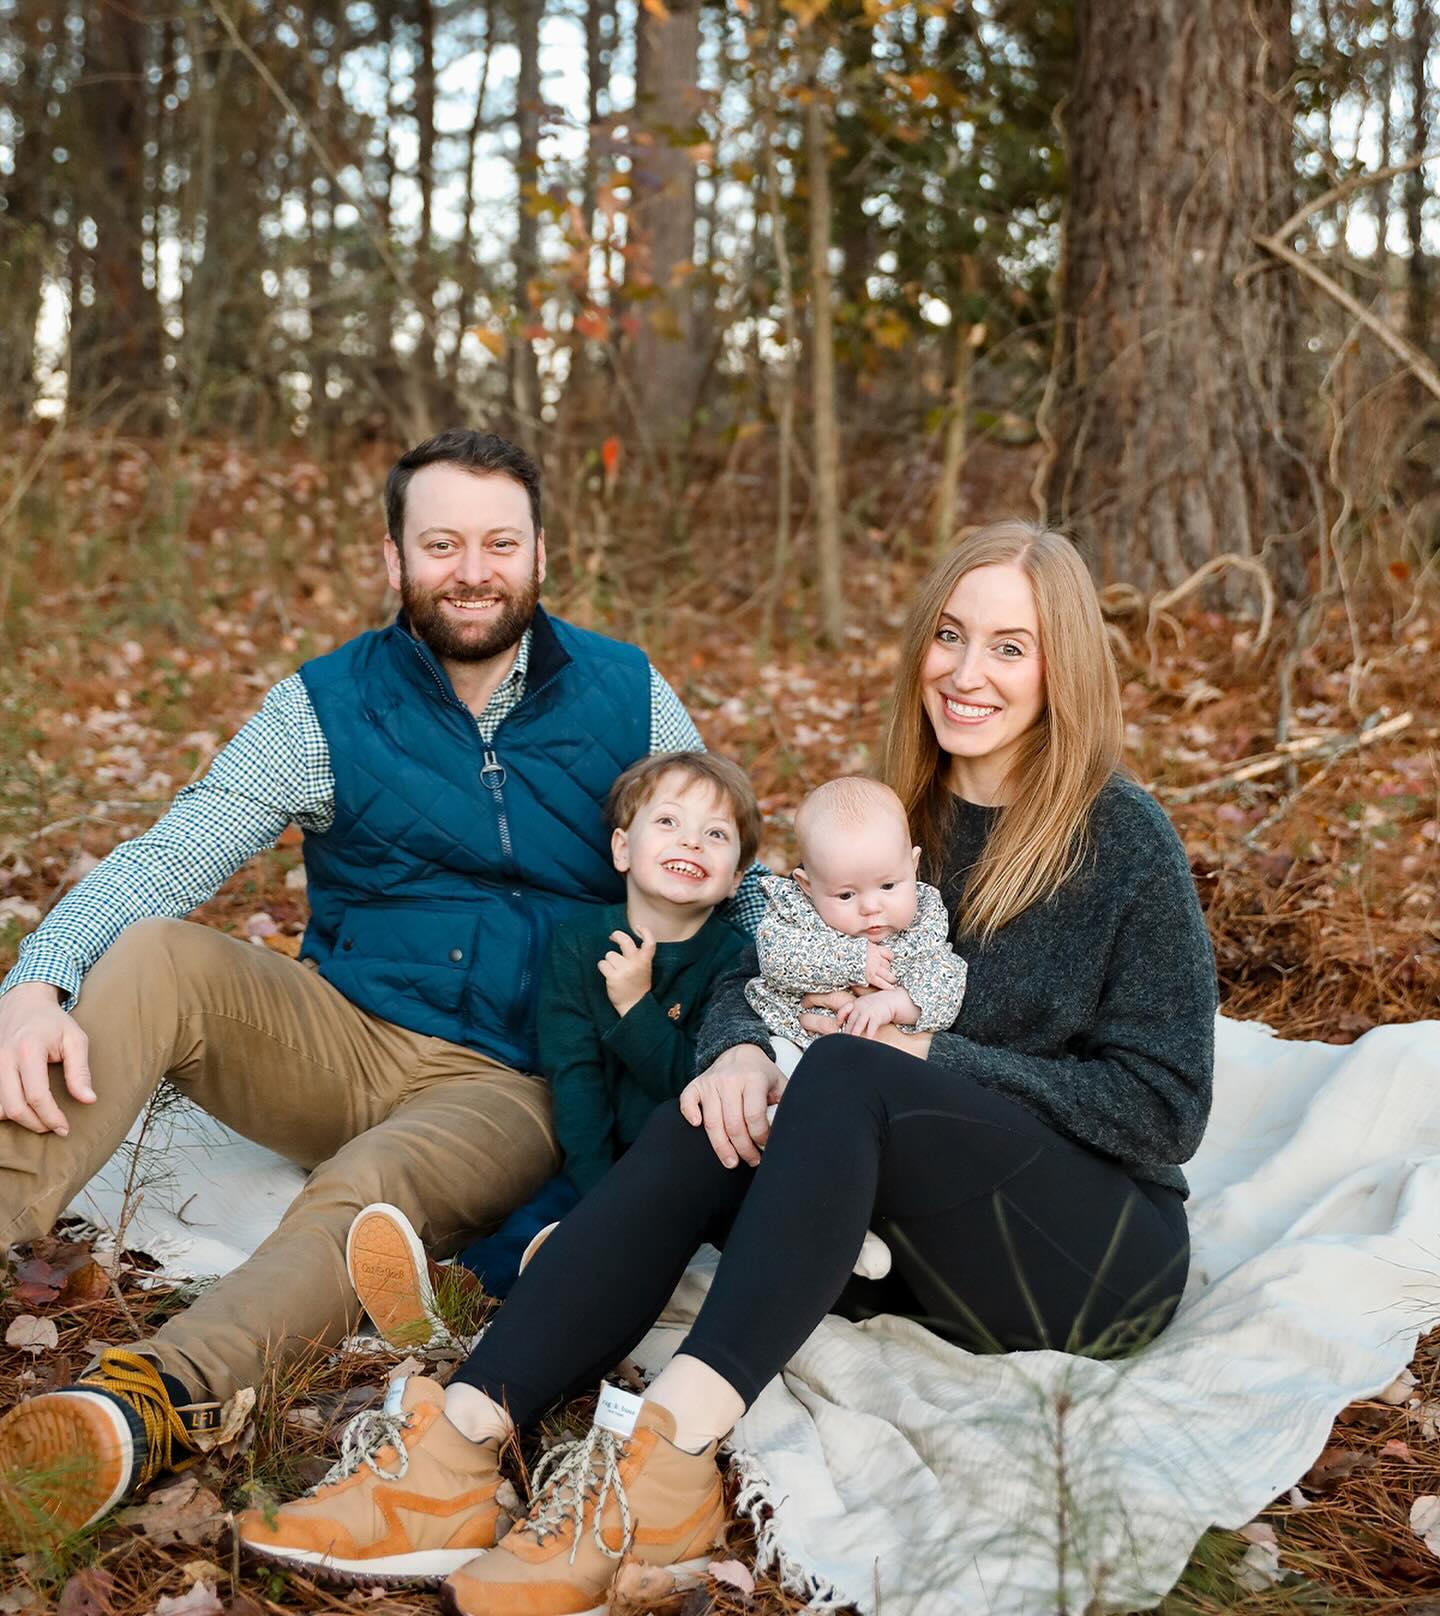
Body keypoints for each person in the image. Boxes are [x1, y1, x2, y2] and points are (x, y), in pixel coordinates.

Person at [235, 519, 1218, 1613]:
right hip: (919, 1232)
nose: (965, 671)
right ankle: (459, 1447)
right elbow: (760, 967)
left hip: (1092, 1254)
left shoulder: (1123, 838)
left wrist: (926, 1050)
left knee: (846, 1070)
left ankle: (668, 1462)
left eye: (1008, 646)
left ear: (1063, 665)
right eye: (949, 634)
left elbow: (1165, 1107)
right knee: (717, 1110)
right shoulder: (896, 816)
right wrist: (739, 1050)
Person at [0, 429, 763, 1551]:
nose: (473, 568)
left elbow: (724, 863)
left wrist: (774, 1017)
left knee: (374, 1182)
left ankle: (149, 1401)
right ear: (394, 557)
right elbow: (172, 852)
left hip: (508, 1081)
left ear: (541, 551)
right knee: (156, 948)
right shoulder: (326, 704)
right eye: (441, 541)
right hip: (340, 1030)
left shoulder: (624, 691)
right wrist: (35, 976)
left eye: (500, 541)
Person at [348, 749, 759, 1347]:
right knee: (537, 1219)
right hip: (591, 1157)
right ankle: (439, 1301)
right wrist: (597, 1193)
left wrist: (635, 1008)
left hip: (686, 1169)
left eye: (716, 834)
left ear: (737, 879)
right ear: (622, 848)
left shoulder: (735, 961)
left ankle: (550, 1291)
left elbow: (694, 1087)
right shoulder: (577, 943)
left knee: (624, 1241)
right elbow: (574, 1077)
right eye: (669, 822)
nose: (691, 842)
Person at [745, 775, 967, 1045]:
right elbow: (775, 958)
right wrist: (855, 959)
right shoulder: (797, 911)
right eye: (846, 894)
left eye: (887, 886)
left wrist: (892, 1004)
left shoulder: (923, 922)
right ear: (807, 886)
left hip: (878, 1057)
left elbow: (947, 988)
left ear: (913, 865)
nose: (871, 907)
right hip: (793, 1038)